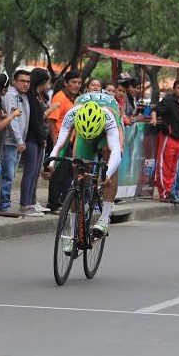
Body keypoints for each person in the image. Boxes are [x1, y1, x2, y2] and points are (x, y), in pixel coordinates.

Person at [43, 93, 123, 247]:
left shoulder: (110, 117)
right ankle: (74, 234)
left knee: (109, 157)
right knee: (78, 171)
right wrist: (51, 166)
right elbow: (59, 145)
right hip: (84, 130)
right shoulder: (72, 114)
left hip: (107, 133)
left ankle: (105, 219)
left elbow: (116, 151)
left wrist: (107, 173)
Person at [20, 69, 55, 216]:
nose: (49, 85)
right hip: (32, 139)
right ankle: (25, 204)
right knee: (29, 172)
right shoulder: (30, 97)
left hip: (39, 140)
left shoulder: (37, 96)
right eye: (47, 82)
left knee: (35, 173)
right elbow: (35, 121)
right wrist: (42, 138)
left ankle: (32, 202)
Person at [151, 80, 179, 203]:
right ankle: (164, 193)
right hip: (168, 137)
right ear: (174, 89)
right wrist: (153, 119)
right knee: (164, 165)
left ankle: (171, 191)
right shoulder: (168, 100)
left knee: (174, 167)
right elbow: (155, 110)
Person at [46, 70, 81, 212]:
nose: (77, 85)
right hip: (58, 141)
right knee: (56, 173)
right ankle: (54, 204)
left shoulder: (76, 99)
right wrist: (56, 144)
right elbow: (51, 121)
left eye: (79, 82)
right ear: (66, 83)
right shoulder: (59, 97)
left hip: (70, 141)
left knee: (67, 174)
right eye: (73, 82)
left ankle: (63, 202)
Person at [0, 70, 31, 213]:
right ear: (14, 81)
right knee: (8, 173)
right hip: (9, 141)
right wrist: (19, 140)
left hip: (18, 142)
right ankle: (3, 204)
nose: (25, 84)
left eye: (28, 82)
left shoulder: (23, 97)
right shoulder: (11, 96)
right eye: (22, 81)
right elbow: (13, 121)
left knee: (11, 175)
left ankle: (5, 202)